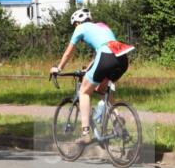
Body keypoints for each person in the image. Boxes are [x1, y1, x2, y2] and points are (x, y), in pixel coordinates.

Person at [51, 8, 134, 144]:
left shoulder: (80, 28)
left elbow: (68, 53)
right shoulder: (102, 26)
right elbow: (101, 52)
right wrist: (88, 69)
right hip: (122, 57)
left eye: (75, 25)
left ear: (77, 22)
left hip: (105, 57)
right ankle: (118, 122)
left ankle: (85, 133)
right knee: (103, 89)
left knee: (84, 92)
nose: (75, 27)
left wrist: (58, 68)